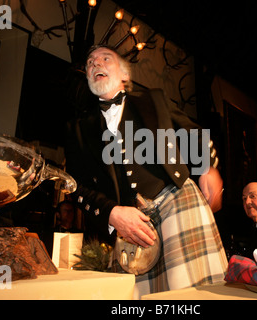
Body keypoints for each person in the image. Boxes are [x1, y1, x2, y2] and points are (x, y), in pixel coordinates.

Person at [64, 44, 227, 296]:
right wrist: (112, 213)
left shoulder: (154, 99)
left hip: (178, 203)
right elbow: (75, 187)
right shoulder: (77, 129)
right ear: (87, 77)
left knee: (197, 294)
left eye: (105, 58)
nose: (95, 63)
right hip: (129, 229)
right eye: (90, 63)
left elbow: (191, 132)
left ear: (125, 75)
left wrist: (207, 166)